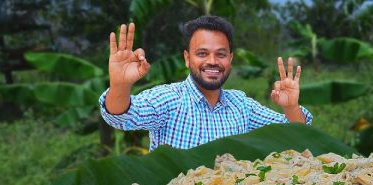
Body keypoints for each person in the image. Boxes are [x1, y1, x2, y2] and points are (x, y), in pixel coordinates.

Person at [99, 16, 312, 151]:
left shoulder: (242, 105)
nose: (212, 61)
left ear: (230, 59)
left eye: (221, 54)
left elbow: (295, 135)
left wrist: (291, 107)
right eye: (202, 53)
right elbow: (122, 117)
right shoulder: (168, 99)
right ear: (187, 58)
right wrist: (119, 84)